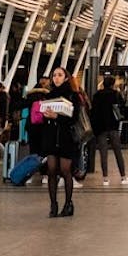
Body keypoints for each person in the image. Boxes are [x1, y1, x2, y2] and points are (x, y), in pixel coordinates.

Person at [41, 66, 82, 216]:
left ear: (66, 78)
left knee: (65, 171)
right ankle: (53, 204)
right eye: (54, 75)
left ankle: (68, 204)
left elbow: (74, 117)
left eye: (59, 75)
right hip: (51, 137)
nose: (56, 78)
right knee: (51, 170)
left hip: (66, 138)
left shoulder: (73, 96)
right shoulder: (49, 95)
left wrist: (57, 117)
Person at [91, 73, 128, 185]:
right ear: (113, 84)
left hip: (100, 128)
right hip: (113, 126)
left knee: (103, 153)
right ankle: (123, 177)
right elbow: (123, 107)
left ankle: (105, 178)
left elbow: (93, 112)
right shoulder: (116, 94)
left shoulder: (97, 95)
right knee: (118, 151)